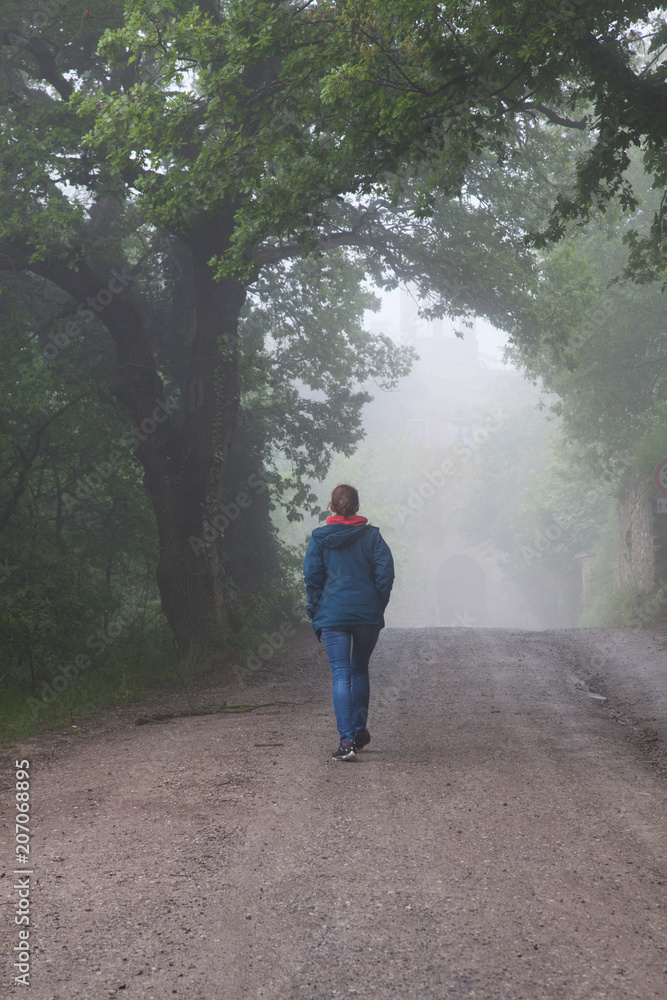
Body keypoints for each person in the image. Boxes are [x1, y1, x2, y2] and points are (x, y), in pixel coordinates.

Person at [303, 484, 394, 761]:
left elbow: (312, 578)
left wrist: (316, 610)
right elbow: (386, 574)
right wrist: (377, 605)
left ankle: (346, 743)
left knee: (341, 674)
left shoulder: (319, 538)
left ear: (331, 507)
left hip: (332, 614)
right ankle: (359, 731)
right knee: (359, 670)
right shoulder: (372, 537)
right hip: (366, 613)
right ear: (357, 507)